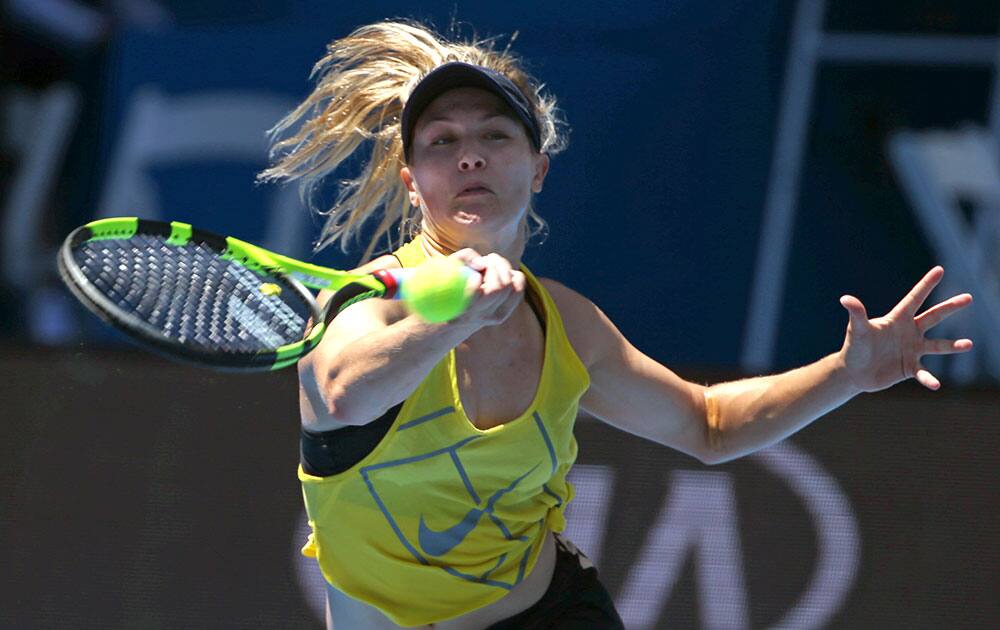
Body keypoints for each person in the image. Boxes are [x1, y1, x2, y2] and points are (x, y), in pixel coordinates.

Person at [257, 20, 975, 630]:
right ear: (412, 181)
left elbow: (709, 425)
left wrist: (847, 375)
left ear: (537, 168)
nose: (469, 153)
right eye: (440, 141)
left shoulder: (568, 324)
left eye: (495, 135)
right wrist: (450, 321)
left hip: (551, 614)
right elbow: (342, 395)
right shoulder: (368, 301)